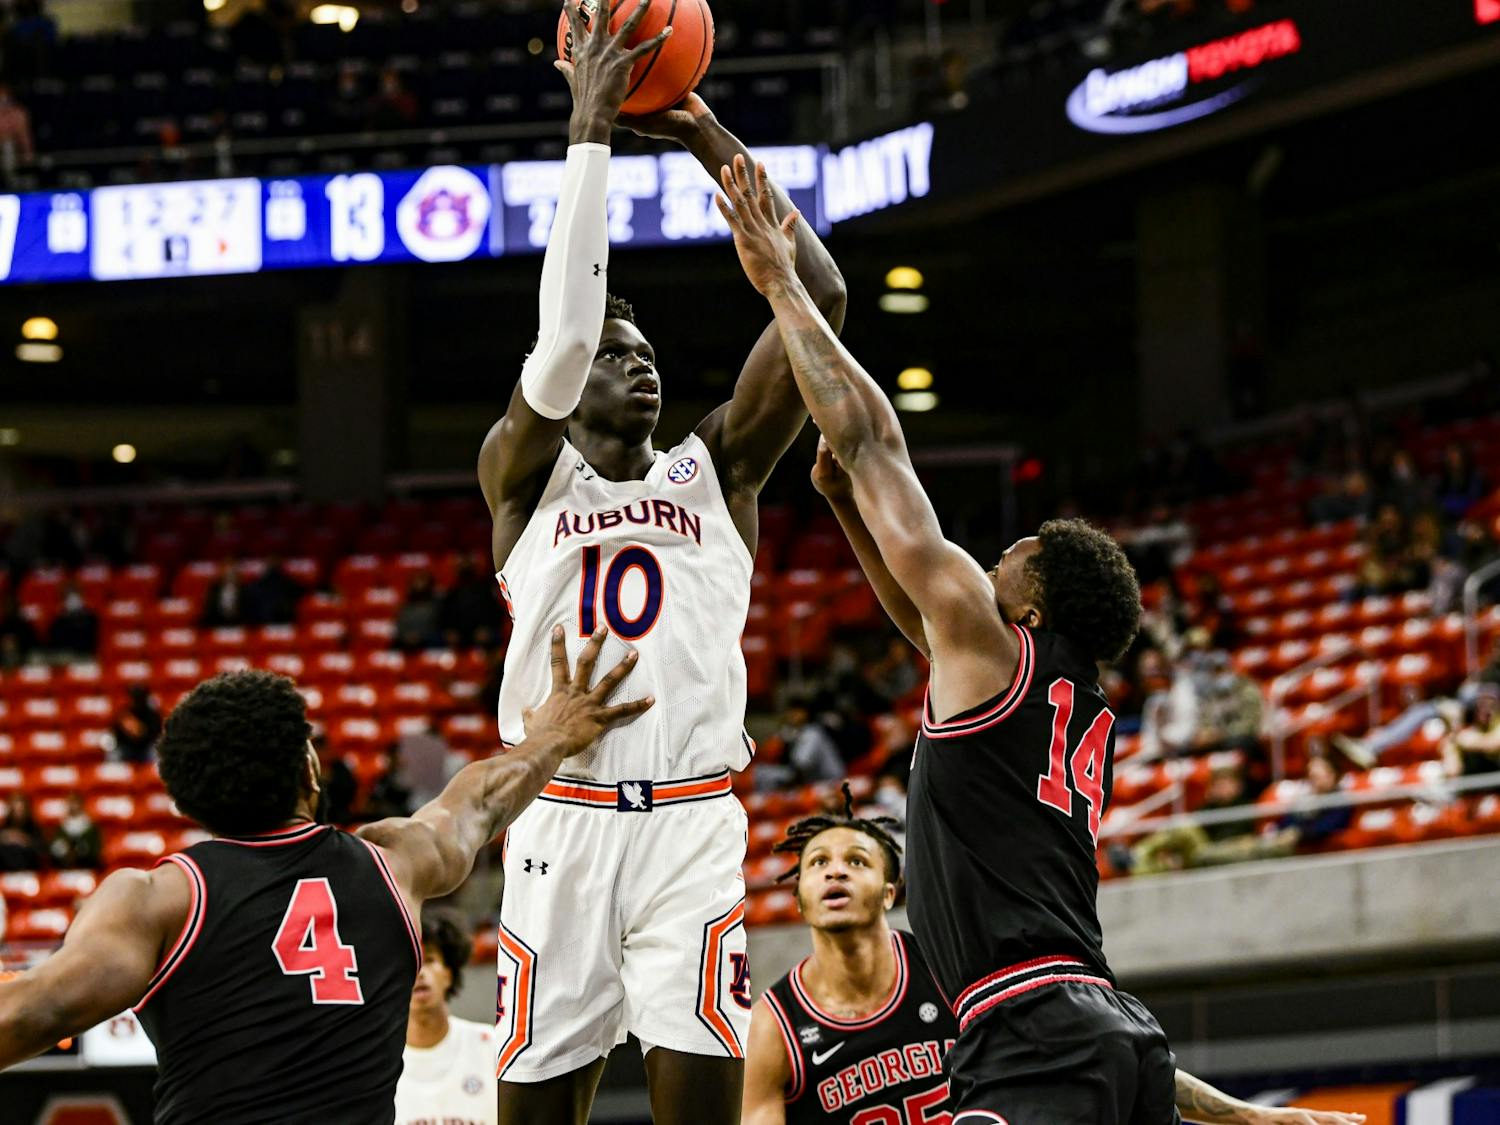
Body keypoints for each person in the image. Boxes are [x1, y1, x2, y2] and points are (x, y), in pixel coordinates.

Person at [713, 172, 1366, 1125]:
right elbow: (917, 617)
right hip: (1108, 1031)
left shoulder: (995, 647)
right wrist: (845, 510)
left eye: (1008, 559)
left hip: (1037, 1035)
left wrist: (783, 285)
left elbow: (876, 438)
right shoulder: (1045, 686)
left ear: (1031, 605)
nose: (984, 565)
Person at [476, 3, 845, 1121]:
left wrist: (705, 137)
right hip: (562, 817)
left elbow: (817, 300)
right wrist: (588, 129)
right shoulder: (525, 479)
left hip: (691, 821)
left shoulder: (716, 469)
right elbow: (566, 338)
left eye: (647, 360)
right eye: (616, 361)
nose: (638, 372)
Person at [0, 627, 653, 1125]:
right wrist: (553, 738)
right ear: (309, 771)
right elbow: (479, 801)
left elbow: (35, 1010)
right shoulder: (392, 863)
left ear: (189, 799)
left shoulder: (156, 897)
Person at [742, 785, 958, 1125]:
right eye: (819, 862)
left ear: (889, 894)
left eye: (856, 860)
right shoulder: (771, 1027)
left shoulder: (942, 965)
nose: (836, 871)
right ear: (798, 900)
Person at [395, 910, 496, 1125]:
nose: (420, 972)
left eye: (429, 960)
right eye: (411, 962)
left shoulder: (491, 1045)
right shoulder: (379, 1062)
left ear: (448, 975)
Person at [110, 684, 164, 764]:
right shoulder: (125, 714)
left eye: (140, 697)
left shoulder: (152, 715)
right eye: (135, 697)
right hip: (127, 748)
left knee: (155, 752)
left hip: (146, 748)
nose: (137, 700)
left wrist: (139, 730)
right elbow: (116, 734)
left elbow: (156, 735)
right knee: (114, 754)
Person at [48, 794, 102, 870]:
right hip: (64, 868)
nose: (72, 806)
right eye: (70, 803)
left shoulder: (90, 827)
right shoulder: (61, 826)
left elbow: (95, 851)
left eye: (75, 803)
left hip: (86, 868)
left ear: (81, 804)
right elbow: (55, 849)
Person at [46, 583, 99, 658]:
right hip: (65, 657)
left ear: (82, 597)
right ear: (63, 601)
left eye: (76, 596)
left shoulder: (91, 618)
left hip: (87, 657)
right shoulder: (58, 621)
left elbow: (95, 642)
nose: (73, 601)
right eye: (69, 598)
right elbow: (54, 645)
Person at [0, 794, 46, 872]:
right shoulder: (4, 828)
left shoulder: (34, 829)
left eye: (21, 810)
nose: (19, 814)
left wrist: (24, 839)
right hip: (6, 873)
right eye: (16, 810)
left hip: (29, 872)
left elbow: (42, 851)